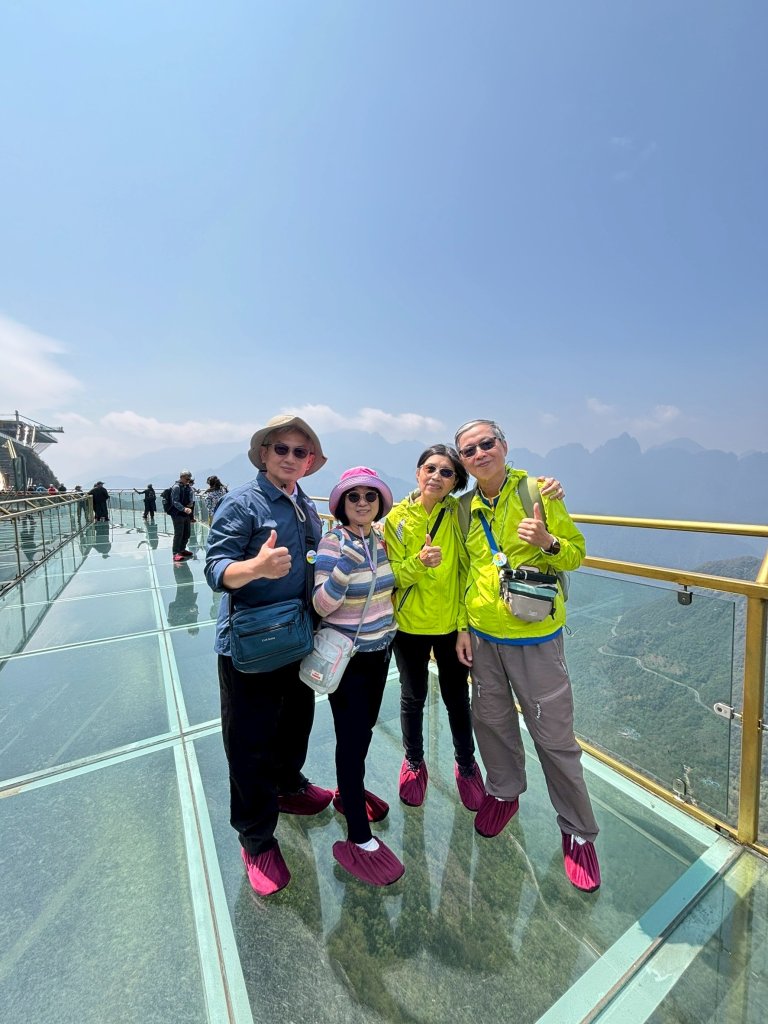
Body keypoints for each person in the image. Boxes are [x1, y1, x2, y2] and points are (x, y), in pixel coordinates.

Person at [454, 418, 600, 893]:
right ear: (463, 462)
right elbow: (463, 572)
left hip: (536, 636)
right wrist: (462, 626)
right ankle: (503, 791)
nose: (479, 453)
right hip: (483, 636)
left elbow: (576, 553)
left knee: (553, 733)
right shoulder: (463, 510)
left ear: (504, 446)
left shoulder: (537, 491)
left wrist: (547, 543)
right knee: (491, 721)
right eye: (469, 450)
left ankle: (578, 830)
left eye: (486, 443)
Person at [205, 414, 333, 897]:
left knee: (295, 720)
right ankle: (256, 837)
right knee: (249, 741)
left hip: (298, 636)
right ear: (263, 454)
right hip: (251, 645)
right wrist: (254, 567)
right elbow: (215, 568)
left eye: (301, 452)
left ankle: (288, 786)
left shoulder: (303, 504)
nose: (292, 458)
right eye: (282, 449)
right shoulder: (243, 503)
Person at [313, 466, 404, 886]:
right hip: (348, 661)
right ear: (342, 504)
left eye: (370, 496)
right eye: (354, 497)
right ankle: (358, 837)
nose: (363, 502)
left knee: (364, 731)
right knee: (351, 740)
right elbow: (321, 605)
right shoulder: (334, 542)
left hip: (379, 653)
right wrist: (344, 566)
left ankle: (350, 794)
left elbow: (390, 589)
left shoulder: (382, 540)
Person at [384, 445, 485, 811]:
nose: (436, 477)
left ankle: (466, 765)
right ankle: (413, 761)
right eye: (430, 468)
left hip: (448, 626)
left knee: (457, 698)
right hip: (408, 625)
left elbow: (464, 573)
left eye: (447, 473)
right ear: (417, 472)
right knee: (412, 697)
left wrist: (463, 627)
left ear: (455, 482)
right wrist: (419, 562)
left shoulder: (458, 515)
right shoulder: (395, 518)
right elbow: (390, 576)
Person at [169, 471, 195, 563]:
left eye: (189, 479)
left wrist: (190, 503)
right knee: (179, 533)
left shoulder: (187, 487)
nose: (189, 480)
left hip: (185, 513)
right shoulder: (176, 487)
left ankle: (182, 549)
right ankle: (176, 553)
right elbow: (175, 501)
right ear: (182, 477)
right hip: (177, 513)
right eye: (187, 478)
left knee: (187, 533)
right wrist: (184, 509)